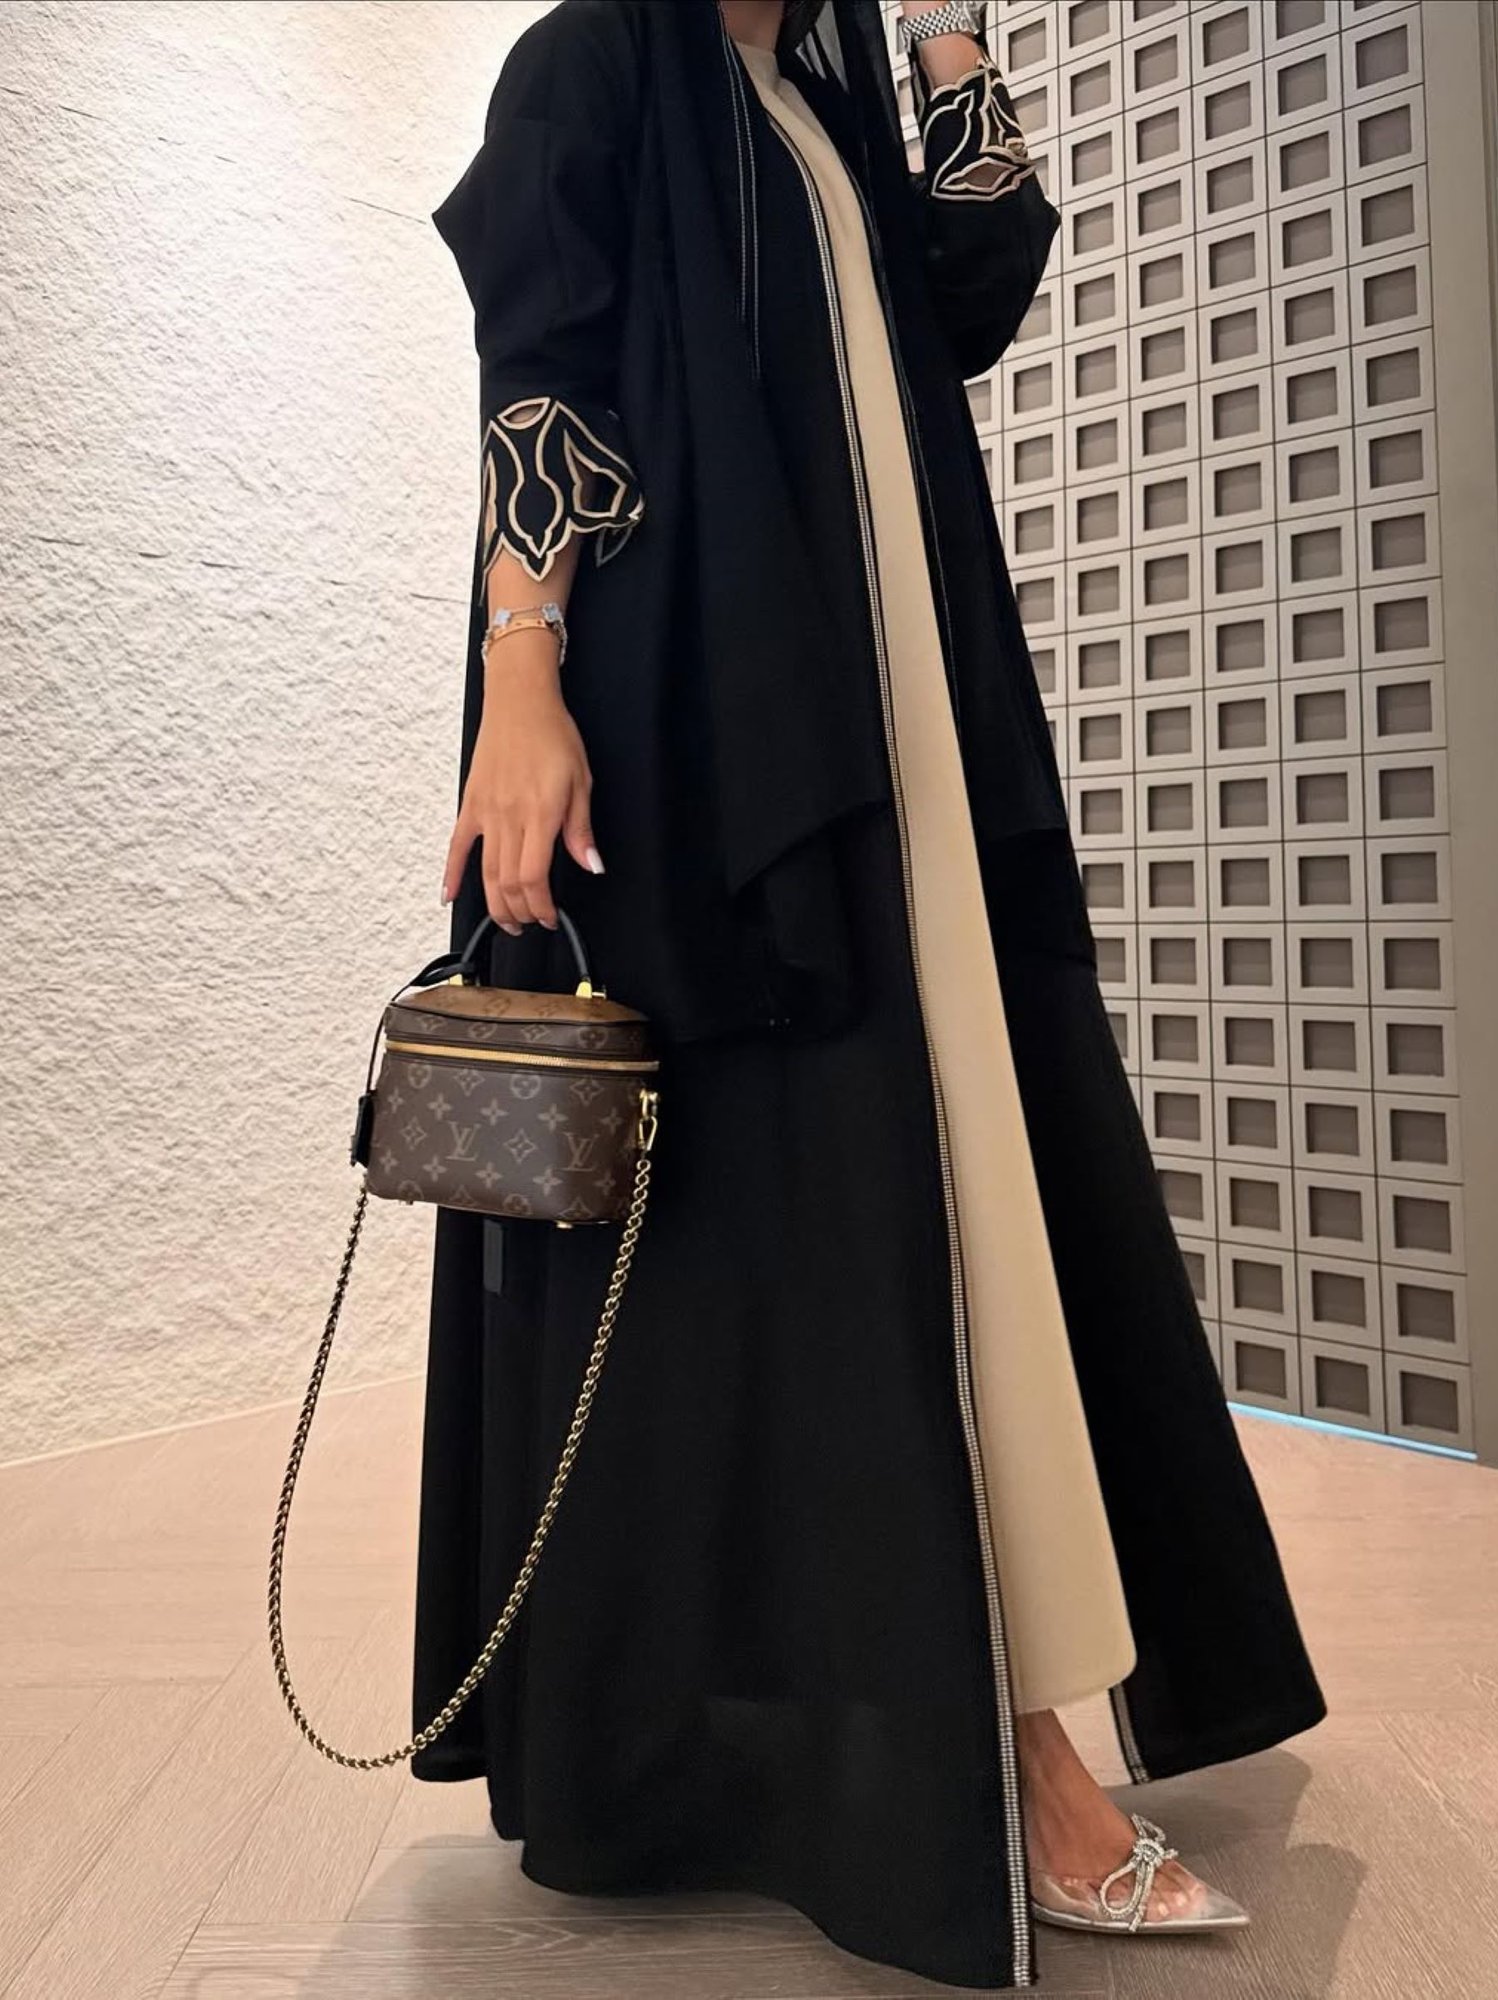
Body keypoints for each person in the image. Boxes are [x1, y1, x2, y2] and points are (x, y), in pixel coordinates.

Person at [412, 1, 1328, 1988]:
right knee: (791, 1239)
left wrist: (952, 46)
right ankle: (984, 1760)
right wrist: (519, 682)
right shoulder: (591, 63)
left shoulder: (820, 103)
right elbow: (536, 370)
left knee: (923, 1203)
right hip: (698, 751)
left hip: (898, 742)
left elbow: (975, 286)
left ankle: (920, 1739)